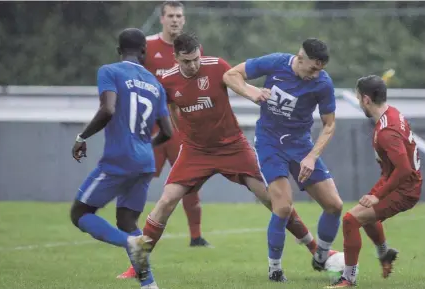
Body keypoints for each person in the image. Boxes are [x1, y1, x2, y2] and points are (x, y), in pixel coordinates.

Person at [133, 32, 326, 288]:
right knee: (166, 201)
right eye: (186, 61)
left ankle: (315, 249)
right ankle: (136, 264)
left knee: (275, 200)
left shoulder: (217, 67)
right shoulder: (167, 81)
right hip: (195, 151)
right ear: (176, 57)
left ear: (200, 52)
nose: (193, 65)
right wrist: (186, 138)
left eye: (196, 59)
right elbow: (170, 110)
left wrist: (252, 91)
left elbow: (236, 80)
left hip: (233, 146)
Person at [223, 38, 343, 281]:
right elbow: (230, 75)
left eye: (320, 70)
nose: (315, 74)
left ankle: (320, 256)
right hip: (270, 143)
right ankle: (275, 269)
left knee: (335, 205)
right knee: (283, 206)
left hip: (301, 146)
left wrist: (312, 157)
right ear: (300, 58)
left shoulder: (323, 83)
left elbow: (329, 125)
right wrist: (251, 91)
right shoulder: (275, 63)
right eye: (312, 68)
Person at [69, 28, 173, 283]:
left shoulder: (111, 71)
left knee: (80, 213)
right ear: (143, 52)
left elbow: (108, 109)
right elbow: (169, 132)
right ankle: (149, 283)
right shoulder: (155, 84)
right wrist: (145, 145)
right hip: (145, 162)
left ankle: (131, 242)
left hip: (119, 159)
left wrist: (82, 137)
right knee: (127, 219)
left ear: (118, 51)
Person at [117, 0, 210, 281]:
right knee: (139, 180)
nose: (175, 20)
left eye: (179, 16)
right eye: (171, 15)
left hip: (180, 131)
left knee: (188, 187)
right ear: (162, 18)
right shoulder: (146, 47)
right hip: (150, 129)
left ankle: (196, 237)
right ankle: (130, 231)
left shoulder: (190, 50)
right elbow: (128, 78)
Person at [326, 75, 422, 288]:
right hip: (395, 180)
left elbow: (404, 169)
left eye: (359, 97)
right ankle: (384, 254)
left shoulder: (387, 131)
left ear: (366, 99)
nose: (359, 102)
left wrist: (377, 194)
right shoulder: (392, 114)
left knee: (351, 220)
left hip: (405, 188)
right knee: (363, 216)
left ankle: (348, 279)